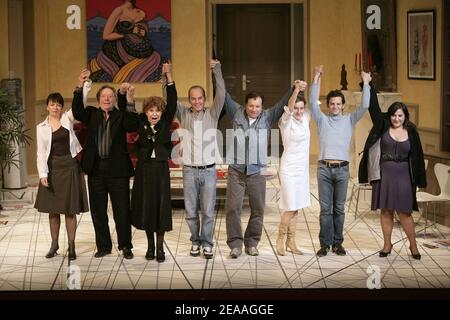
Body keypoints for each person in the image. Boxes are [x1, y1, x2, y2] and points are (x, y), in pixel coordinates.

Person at [224, 83, 295, 258]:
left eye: (257, 106)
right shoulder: (236, 113)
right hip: (236, 170)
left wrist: (295, 88)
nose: (254, 109)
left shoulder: (268, 117)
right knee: (233, 208)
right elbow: (223, 94)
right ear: (245, 105)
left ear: (262, 107)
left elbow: (283, 102)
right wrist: (215, 70)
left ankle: (252, 242)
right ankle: (235, 244)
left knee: (258, 209)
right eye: (251, 106)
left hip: (257, 171)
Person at [72, 68, 137, 259]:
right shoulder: (91, 114)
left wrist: (131, 100)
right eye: (104, 96)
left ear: (115, 100)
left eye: (110, 96)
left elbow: (133, 125)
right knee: (98, 211)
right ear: (98, 99)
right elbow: (76, 110)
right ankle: (103, 246)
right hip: (96, 169)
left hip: (117, 170)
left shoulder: (121, 116)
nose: (107, 99)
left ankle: (126, 245)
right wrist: (79, 85)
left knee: (122, 210)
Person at [310, 65, 371, 257]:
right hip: (324, 170)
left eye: (338, 103)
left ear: (343, 105)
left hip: (342, 170)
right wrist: (316, 77)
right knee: (325, 209)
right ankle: (324, 244)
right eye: (332, 103)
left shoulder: (350, 120)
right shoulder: (321, 120)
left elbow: (366, 105)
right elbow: (312, 102)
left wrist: (366, 83)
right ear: (328, 105)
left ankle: (338, 243)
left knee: (339, 209)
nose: (335, 106)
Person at [358, 86, 426, 260]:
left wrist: (419, 181)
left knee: (405, 212)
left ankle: (413, 245)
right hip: (385, 174)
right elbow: (373, 107)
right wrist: (367, 85)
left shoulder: (411, 132)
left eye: (400, 115)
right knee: (386, 211)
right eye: (394, 115)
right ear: (390, 116)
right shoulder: (383, 125)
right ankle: (387, 244)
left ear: (405, 116)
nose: (396, 118)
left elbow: (418, 156)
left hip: (404, 175)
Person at [167, 59, 225, 259]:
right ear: (189, 100)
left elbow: (222, 94)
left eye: (200, 98)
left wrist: (216, 70)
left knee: (208, 211)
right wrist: (168, 76)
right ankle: (195, 241)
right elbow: (170, 98)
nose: (197, 101)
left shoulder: (213, 113)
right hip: (190, 171)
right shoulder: (183, 114)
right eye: (193, 98)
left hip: (208, 171)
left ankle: (207, 243)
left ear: (205, 99)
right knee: (191, 211)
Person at [120, 63, 176, 262]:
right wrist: (129, 99)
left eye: (157, 110)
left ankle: (160, 248)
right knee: (147, 208)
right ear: (146, 112)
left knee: (160, 209)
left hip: (160, 170)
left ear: (162, 113)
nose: (154, 113)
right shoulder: (141, 123)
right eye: (151, 110)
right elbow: (128, 120)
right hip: (144, 170)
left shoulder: (165, 123)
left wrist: (169, 77)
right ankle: (150, 248)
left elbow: (173, 101)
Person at [34, 92, 89, 261]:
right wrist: (43, 174)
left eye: (58, 104)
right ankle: (54, 244)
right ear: (47, 106)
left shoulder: (67, 118)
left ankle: (71, 246)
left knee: (70, 210)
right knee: (53, 210)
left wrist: (84, 86)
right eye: (52, 104)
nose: (55, 107)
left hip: (70, 166)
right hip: (52, 168)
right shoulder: (41, 127)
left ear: (61, 107)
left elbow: (81, 102)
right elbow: (41, 153)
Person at [88, 0, 163, 83]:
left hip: (140, 46)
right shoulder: (119, 11)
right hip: (119, 46)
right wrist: (125, 36)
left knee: (156, 60)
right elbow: (106, 35)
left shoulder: (141, 13)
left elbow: (144, 30)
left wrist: (142, 31)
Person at [276, 80, 310, 256]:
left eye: (301, 108)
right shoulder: (285, 121)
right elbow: (289, 107)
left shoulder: (306, 119)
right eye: (296, 108)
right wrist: (296, 90)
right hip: (289, 167)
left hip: (302, 169)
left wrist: (316, 77)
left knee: (297, 205)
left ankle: (292, 241)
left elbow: (313, 101)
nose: (298, 111)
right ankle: (280, 239)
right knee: (290, 204)